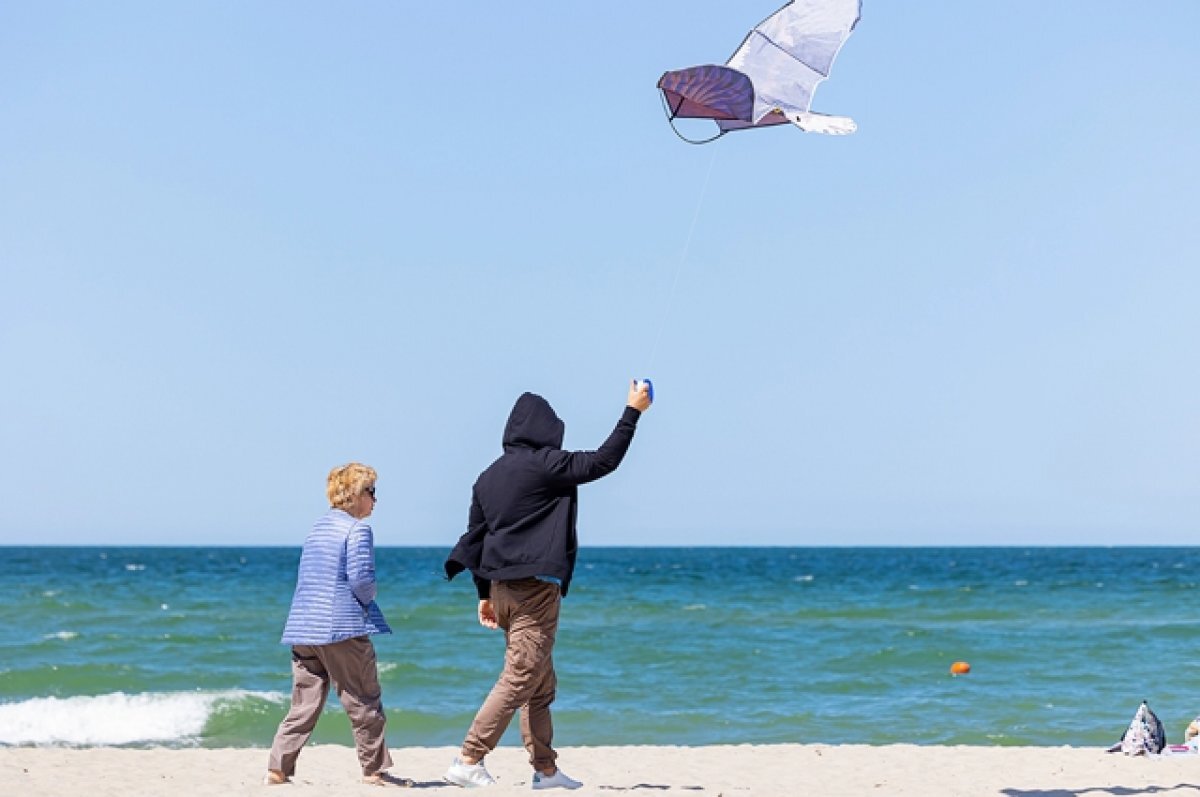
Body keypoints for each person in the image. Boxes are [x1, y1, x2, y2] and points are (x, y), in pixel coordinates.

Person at [442, 381, 653, 790]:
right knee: (521, 676)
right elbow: (603, 461)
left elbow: (476, 536)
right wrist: (633, 412)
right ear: (545, 430)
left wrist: (484, 595)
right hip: (533, 591)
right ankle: (468, 758)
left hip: (502, 589)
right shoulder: (546, 464)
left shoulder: (488, 476)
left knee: (539, 683)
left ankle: (547, 770)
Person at [265, 463, 407, 786]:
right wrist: (371, 596)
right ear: (355, 495)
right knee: (363, 697)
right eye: (372, 492)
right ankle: (374, 770)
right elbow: (360, 581)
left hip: (304, 627)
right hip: (341, 627)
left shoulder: (316, 529)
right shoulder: (357, 530)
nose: (375, 499)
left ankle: (278, 768)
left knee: (304, 703)